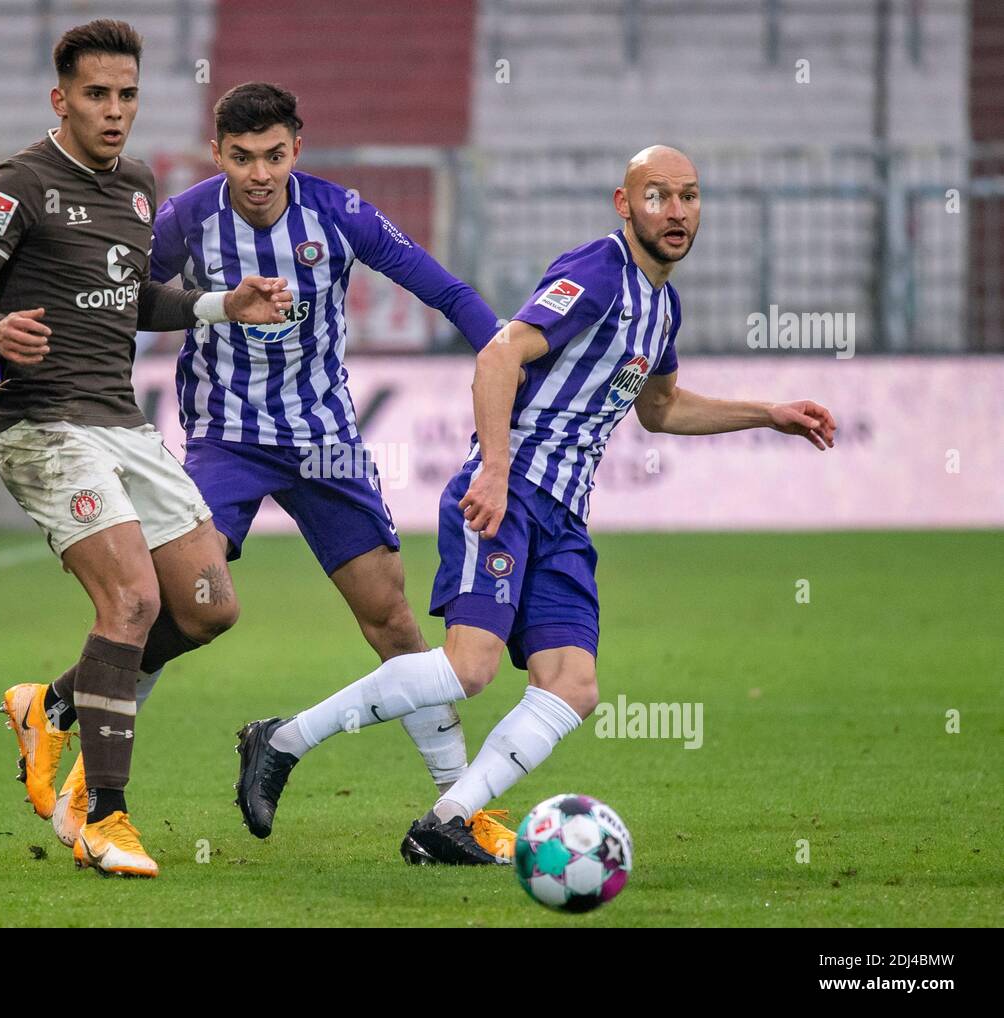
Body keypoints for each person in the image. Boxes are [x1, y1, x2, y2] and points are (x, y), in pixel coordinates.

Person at [0, 82, 520, 859]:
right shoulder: (184, 220)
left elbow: (445, 291)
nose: (260, 173)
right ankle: (88, 785)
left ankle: (458, 808)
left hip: (324, 442)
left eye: (274, 155)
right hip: (225, 441)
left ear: (296, 149)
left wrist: (510, 352)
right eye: (242, 158)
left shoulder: (340, 215)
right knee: (179, 602)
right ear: (219, 155)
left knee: (393, 621)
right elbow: (107, 311)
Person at [234, 145, 838, 865]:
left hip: (564, 516)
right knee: (470, 668)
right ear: (625, 204)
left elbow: (663, 408)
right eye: (658, 196)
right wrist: (493, 470)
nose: (675, 212)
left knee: (573, 685)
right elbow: (498, 355)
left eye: (689, 197)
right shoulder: (598, 271)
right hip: (510, 493)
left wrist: (767, 413)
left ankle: (445, 820)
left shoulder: (663, 306)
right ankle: (281, 739)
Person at [0, 20, 292, 877]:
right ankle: (105, 817)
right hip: (45, 427)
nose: (115, 110)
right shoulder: (18, 182)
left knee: (207, 605)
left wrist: (219, 305)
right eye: (97, 95)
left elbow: (132, 303)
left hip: (122, 423)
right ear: (62, 99)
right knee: (128, 601)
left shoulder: (136, 183)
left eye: (128, 94)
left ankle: (49, 706)